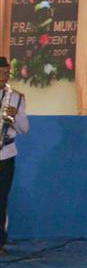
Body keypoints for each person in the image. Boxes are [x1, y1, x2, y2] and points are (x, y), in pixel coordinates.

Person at [0, 57, 30, 256]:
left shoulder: (16, 97)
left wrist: (15, 116)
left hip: (6, 153)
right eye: (1, 72)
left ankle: (0, 242)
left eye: (7, 72)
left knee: (1, 198)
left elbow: (24, 129)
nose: (5, 76)